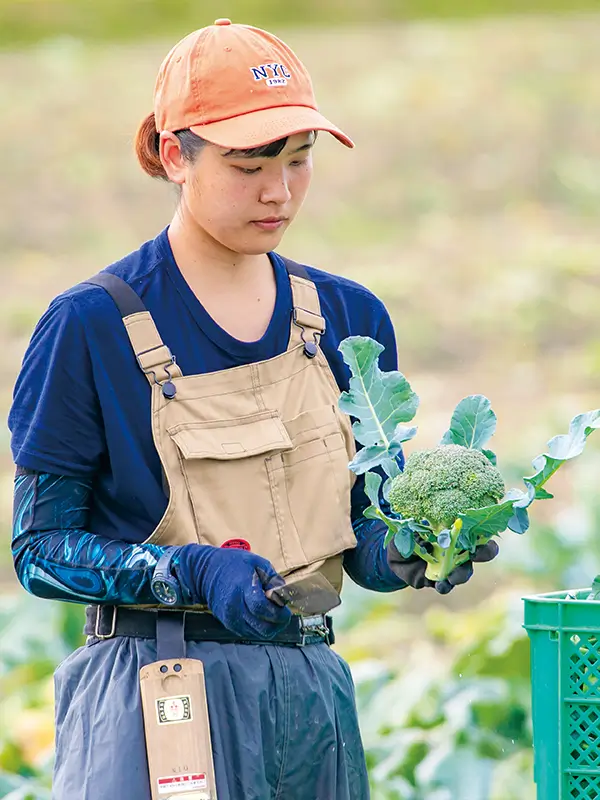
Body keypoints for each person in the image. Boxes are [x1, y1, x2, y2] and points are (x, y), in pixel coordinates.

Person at [9, 19, 497, 800]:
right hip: (153, 695)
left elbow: (360, 530)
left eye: (299, 162)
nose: (279, 192)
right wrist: (188, 573)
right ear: (176, 155)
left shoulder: (347, 319)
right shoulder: (90, 325)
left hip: (307, 701)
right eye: (249, 166)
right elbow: (38, 548)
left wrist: (405, 549)